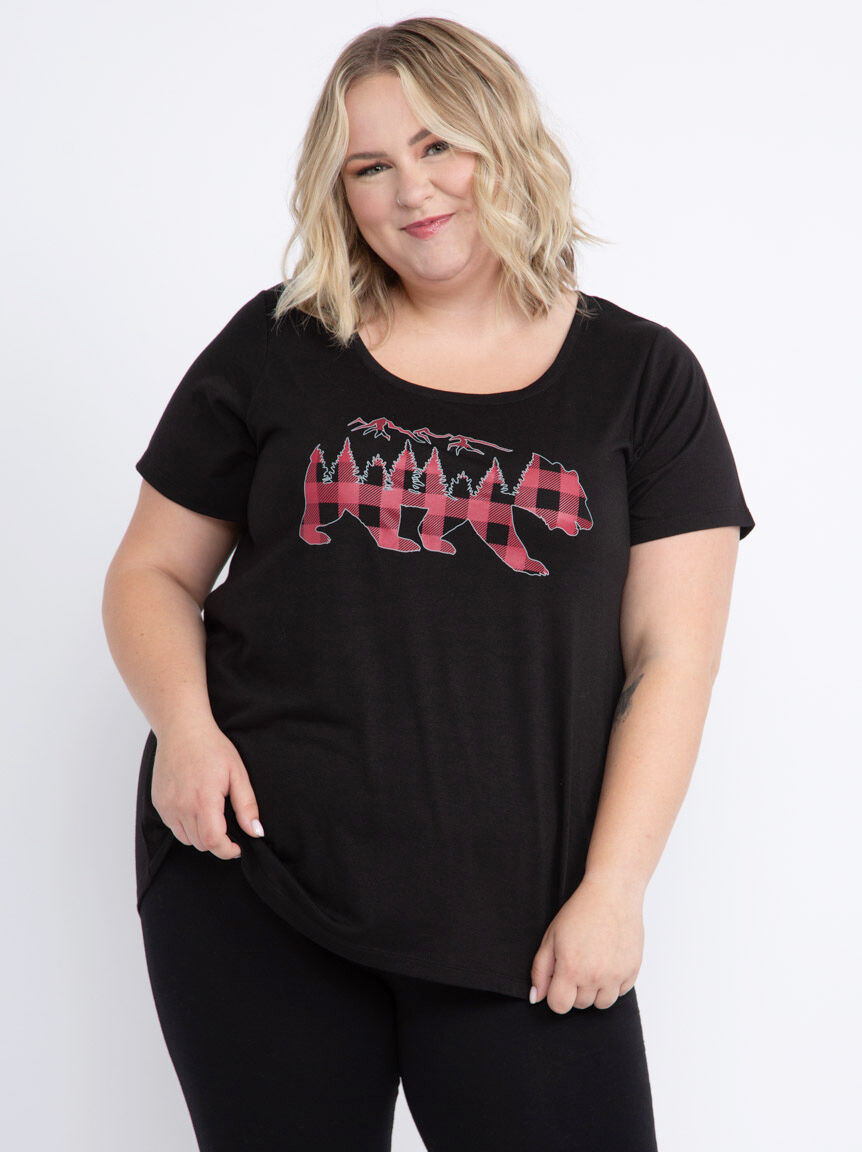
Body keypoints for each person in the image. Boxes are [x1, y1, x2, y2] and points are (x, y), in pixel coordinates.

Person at [102, 16, 755, 1152]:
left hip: (524, 916)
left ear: (504, 143)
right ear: (340, 190)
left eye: (438, 145)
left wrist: (614, 888)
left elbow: (671, 661)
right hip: (255, 878)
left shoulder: (641, 379)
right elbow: (150, 571)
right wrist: (186, 733)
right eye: (370, 166)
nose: (411, 190)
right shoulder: (277, 345)